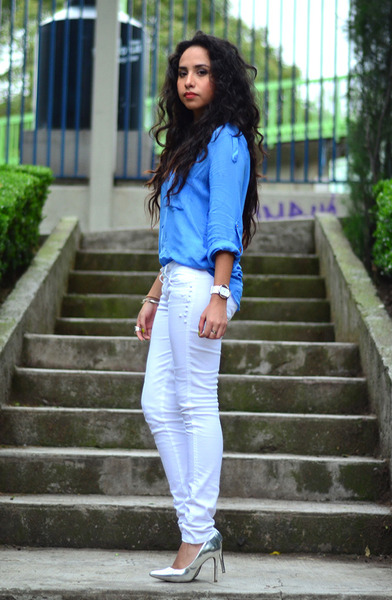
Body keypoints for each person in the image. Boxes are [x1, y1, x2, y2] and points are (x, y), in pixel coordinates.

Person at [134, 30, 264, 583]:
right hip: (177, 284)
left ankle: (196, 533)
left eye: (202, 72)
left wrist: (218, 292)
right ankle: (197, 529)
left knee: (193, 403)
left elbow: (221, 225)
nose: (189, 81)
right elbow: (179, 231)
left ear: (222, 79)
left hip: (201, 287)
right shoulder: (190, 141)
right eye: (183, 73)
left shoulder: (228, 138)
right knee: (156, 405)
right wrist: (153, 293)